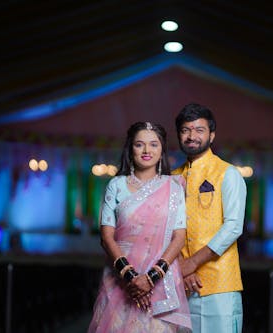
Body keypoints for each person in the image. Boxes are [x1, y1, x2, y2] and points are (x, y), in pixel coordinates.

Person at [87, 121, 191, 333]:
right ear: (130, 148)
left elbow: (179, 237)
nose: (146, 150)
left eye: (153, 144)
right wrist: (130, 277)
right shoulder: (116, 185)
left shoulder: (174, 187)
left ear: (161, 149)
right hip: (119, 277)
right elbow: (107, 237)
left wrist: (151, 278)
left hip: (161, 281)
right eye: (139, 144)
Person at [173, 103, 247, 333]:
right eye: (185, 130)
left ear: (212, 135)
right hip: (181, 285)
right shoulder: (172, 178)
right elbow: (166, 231)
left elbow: (233, 227)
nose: (191, 135)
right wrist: (181, 270)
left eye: (199, 129)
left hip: (220, 284)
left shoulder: (228, 174)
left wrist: (192, 263)